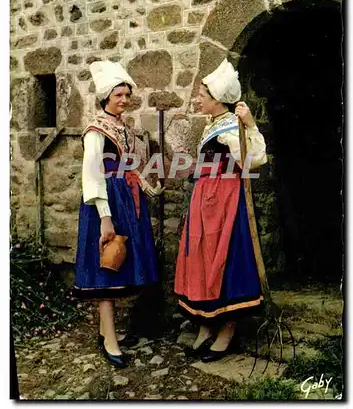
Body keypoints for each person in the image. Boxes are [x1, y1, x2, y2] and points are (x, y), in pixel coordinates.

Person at [174, 58, 267, 362]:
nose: (197, 99)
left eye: (202, 95)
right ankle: (206, 323)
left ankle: (227, 328)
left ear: (216, 100)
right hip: (206, 198)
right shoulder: (212, 124)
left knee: (223, 258)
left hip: (224, 200)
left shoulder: (229, 127)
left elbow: (253, 160)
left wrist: (250, 125)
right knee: (201, 258)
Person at [74, 60, 164, 368]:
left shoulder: (123, 128)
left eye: (127, 94)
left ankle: (105, 330)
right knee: (107, 267)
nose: (124, 100)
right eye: (118, 95)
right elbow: (92, 175)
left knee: (119, 263)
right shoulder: (95, 130)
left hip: (126, 197)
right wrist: (105, 217)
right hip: (106, 203)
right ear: (105, 98)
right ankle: (109, 339)